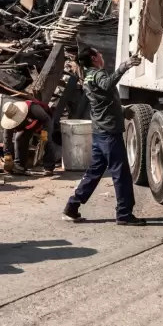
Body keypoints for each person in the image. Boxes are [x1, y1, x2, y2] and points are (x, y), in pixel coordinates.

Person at [63, 48, 145, 226]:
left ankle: (72, 206)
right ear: (94, 58)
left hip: (100, 131)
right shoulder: (98, 74)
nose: (102, 56)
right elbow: (107, 85)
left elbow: (101, 101)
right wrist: (124, 66)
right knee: (121, 173)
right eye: (99, 54)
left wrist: (121, 111)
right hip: (109, 133)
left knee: (94, 172)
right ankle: (124, 214)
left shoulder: (88, 77)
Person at [0, 99, 57, 176]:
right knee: (19, 139)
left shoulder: (33, 108)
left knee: (46, 140)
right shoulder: (8, 119)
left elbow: (46, 119)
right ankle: (20, 165)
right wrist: (7, 157)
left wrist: (44, 134)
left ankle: (49, 167)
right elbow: (7, 139)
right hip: (29, 125)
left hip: (44, 121)